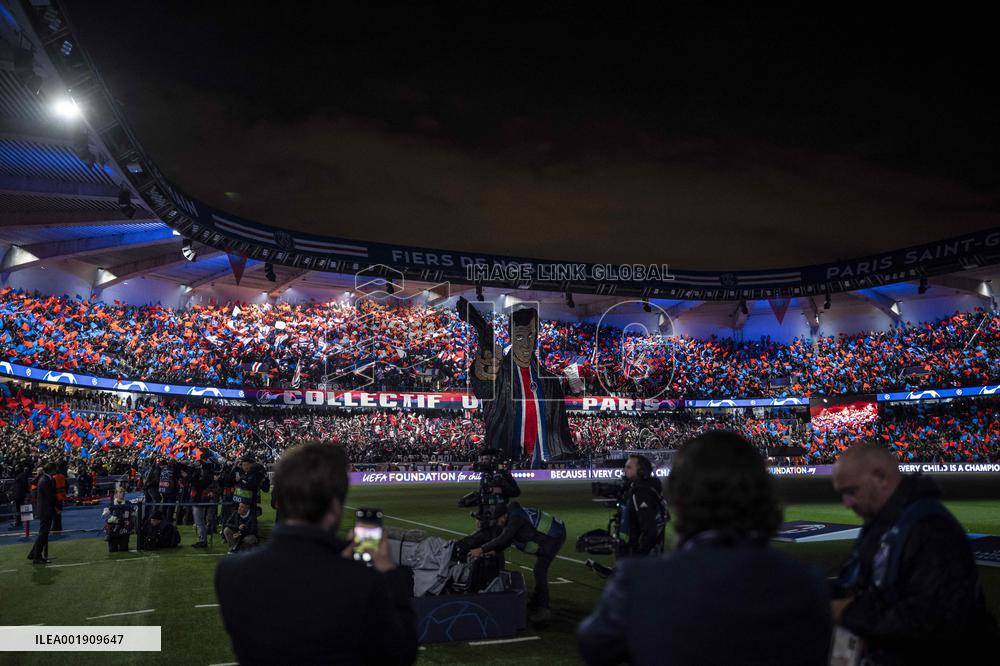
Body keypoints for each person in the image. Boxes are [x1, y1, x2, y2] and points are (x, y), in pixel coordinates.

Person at [577, 431, 831, 665]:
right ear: (765, 494)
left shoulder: (640, 580)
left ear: (680, 499)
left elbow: (593, 646)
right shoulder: (807, 582)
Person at [215, 442, 417, 666]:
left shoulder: (230, 572)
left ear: (280, 500)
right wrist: (387, 570)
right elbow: (401, 653)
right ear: (334, 506)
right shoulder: (362, 579)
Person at [831, 442, 998, 665]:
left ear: (880, 477)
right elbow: (864, 583)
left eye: (851, 491)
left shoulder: (930, 528)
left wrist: (848, 612)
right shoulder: (883, 523)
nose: (846, 503)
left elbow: (933, 619)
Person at [468, 500, 567, 623]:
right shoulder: (513, 515)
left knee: (539, 571)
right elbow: (510, 537)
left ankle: (543, 610)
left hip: (553, 538)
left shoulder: (516, 520)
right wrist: (494, 550)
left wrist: (482, 549)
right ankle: (537, 600)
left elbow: (506, 537)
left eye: (499, 520)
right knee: (539, 570)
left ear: (504, 516)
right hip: (552, 533)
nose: (498, 523)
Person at [617, 454, 668, 557]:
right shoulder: (651, 488)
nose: (624, 470)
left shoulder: (642, 493)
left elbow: (650, 531)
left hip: (645, 559)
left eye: (629, 467)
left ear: (641, 471)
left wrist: (638, 557)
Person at [27, 462, 56, 564]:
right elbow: (50, 497)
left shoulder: (44, 478)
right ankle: (36, 556)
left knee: (43, 533)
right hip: (46, 509)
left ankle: (34, 553)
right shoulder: (45, 480)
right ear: (51, 470)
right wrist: (55, 506)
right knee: (43, 533)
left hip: (44, 509)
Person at [102, 485, 134, 553]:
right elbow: (104, 516)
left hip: (124, 529)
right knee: (112, 550)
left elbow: (133, 515)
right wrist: (113, 519)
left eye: (123, 492)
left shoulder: (128, 504)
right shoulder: (111, 504)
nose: (122, 494)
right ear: (116, 494)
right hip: (113, 530)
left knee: (124, 549)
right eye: (120, 492)